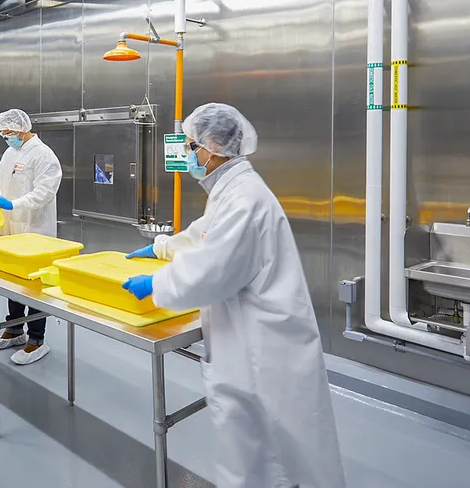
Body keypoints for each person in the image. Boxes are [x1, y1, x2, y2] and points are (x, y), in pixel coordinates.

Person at [123, 103, 345, 488]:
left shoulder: (245, 199)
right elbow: (203, 235)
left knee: (266, 454)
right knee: (254, 450)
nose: (188, 153)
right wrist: (160, 248)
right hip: (246, 339)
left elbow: (214, 269)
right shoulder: (231, 190)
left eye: (192, 145)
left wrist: (156, 285)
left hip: (263, 347)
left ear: (213, 147)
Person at [0, 108, 62, 366]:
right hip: (12, 231)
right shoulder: (11, 152)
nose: (5, 137)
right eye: (3, 133)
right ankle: (15, 329)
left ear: (21, 130)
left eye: (7, 133)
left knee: (34, 287)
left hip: (35, 231)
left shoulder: (43, 155)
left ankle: (37, 339)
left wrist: (13, 204)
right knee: (13, 281)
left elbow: (45, 192)